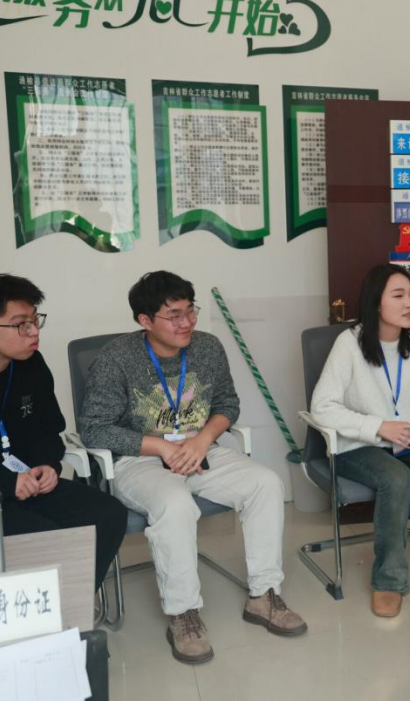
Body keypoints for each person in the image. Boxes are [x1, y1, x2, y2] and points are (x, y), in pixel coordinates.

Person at [79, 271, 305, 665]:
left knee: (266, 484)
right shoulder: (115, 359)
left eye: (190, 311)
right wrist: (161, 447)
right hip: (140, 459)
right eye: (174, 315)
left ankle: (264, 595)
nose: (187, 323)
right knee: (175, 503)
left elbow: (228, 404)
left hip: (200, 449)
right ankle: (183, 614)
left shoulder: (208, 347)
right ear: (145, 320)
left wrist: (202, 440)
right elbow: (94, 428)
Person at [0, 274, 127, 589]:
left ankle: (72, 603)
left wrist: (48, 465)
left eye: (35, 320)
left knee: (107, 513)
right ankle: (44, 608)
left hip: (31, 484)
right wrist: (8, 483)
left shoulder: (31, 364)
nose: (34, 331)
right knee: (42, 536)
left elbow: (50, 427)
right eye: (21, 324)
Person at [309, 263, 410, 619]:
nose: (409, 303)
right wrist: (378, 427)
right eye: (398, 295)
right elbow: (322, 407)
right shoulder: (349, 344)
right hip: (358, 445)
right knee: (396, 478)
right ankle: (389, 580)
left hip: (409, 439)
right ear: (376, 302)